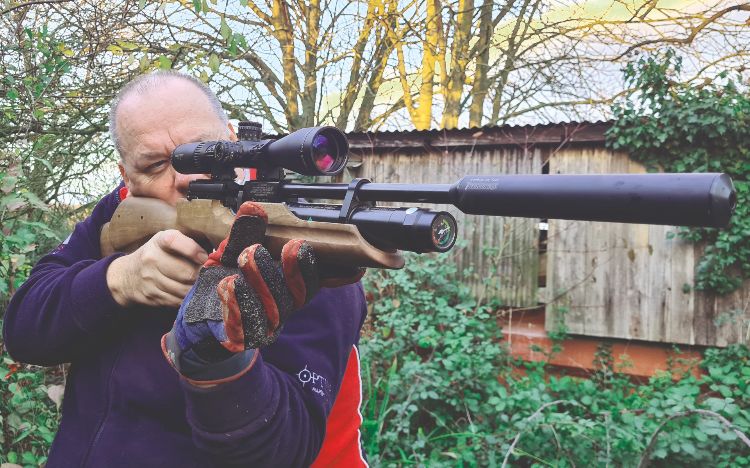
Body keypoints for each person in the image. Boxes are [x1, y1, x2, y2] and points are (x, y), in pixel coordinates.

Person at [3, 71, 369, 467]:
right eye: (156, 165)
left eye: (203, 150)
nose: (186, 177)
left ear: (233, 141)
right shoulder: (118, 212)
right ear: (127, 175)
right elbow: (24, 332)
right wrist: (119, 281)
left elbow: (285, 451)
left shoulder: (301, 250)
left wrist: (217, 361)